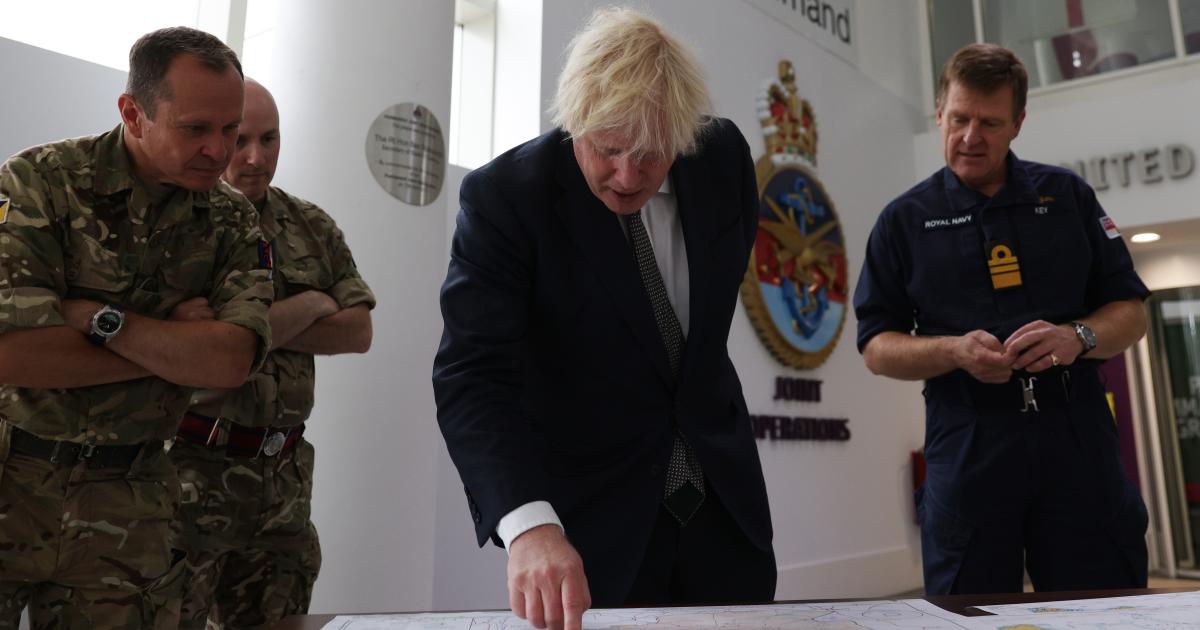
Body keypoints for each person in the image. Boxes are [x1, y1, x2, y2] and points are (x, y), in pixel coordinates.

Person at [433, 8, 775, 630]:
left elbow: (699, 337)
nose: (626, 175)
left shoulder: (722, 161)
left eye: (650, 155)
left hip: (725, 515)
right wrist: (529, 526)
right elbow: (473, 377)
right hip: (588, 529)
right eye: (608, 149)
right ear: (574, 121)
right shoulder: (507, 199)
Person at [0, 27, 273, 628]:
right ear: (132, 113)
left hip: (130, 502)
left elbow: (229, 361)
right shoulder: (40, 182)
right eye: (195, 128)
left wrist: (100, 321)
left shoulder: (231, 218)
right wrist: (168, 344)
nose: (219, 150)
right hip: (12, 475)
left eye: (229, 128)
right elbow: (14, 354)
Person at [853, 43, 1150, 595]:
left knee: (1103, 603)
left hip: (1075, 432)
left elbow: (1130, 312)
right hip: (968, 440)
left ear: (1018, 122)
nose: (971, 137)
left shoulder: (1067, 197)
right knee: (969, 608)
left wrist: (1078, 336)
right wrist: (951, 352)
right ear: (938, 113)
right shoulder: (903, 221)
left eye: (990, 123)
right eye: (959, 119)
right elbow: (875, 347)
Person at [168, 78, 375, 630]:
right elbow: (198, 353)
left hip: (280, 484)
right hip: (190, 474)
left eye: (270, 139)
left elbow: (357, 331)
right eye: (240, 140)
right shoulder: (179, 223)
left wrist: (240, 329)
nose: (255, 158)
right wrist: (311, 303)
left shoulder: (311, 226)